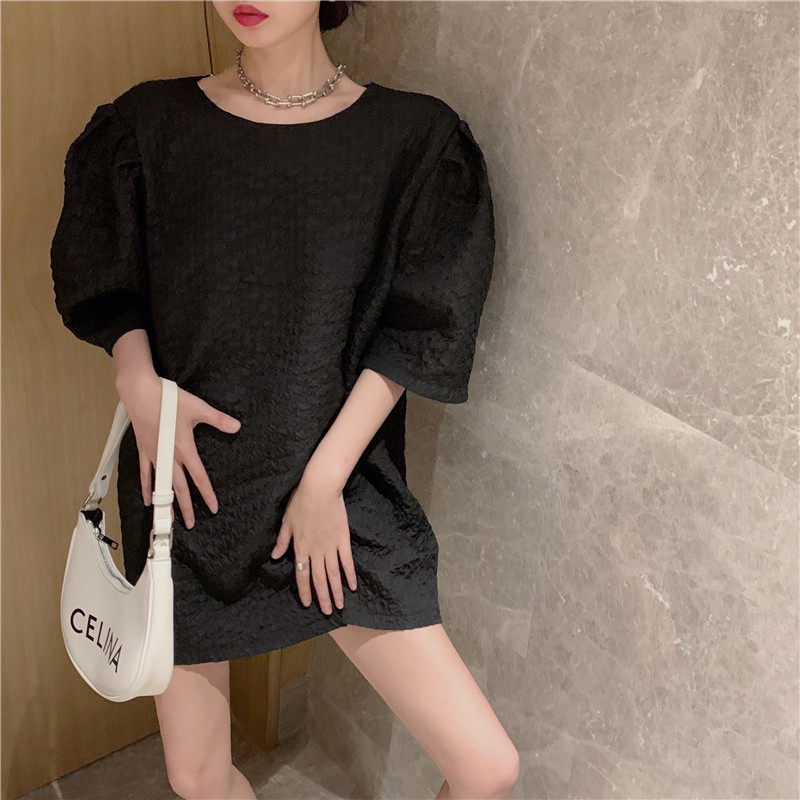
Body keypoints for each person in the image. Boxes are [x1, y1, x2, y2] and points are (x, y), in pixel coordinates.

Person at [49, 1, 519, 798]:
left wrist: (324, 481)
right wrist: (138, 383)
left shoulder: (415, 140)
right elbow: (107, 286)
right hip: (190, 486)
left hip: (337, 488)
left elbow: (416, 332)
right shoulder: (147, 128)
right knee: (198, 777)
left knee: (487, 768)